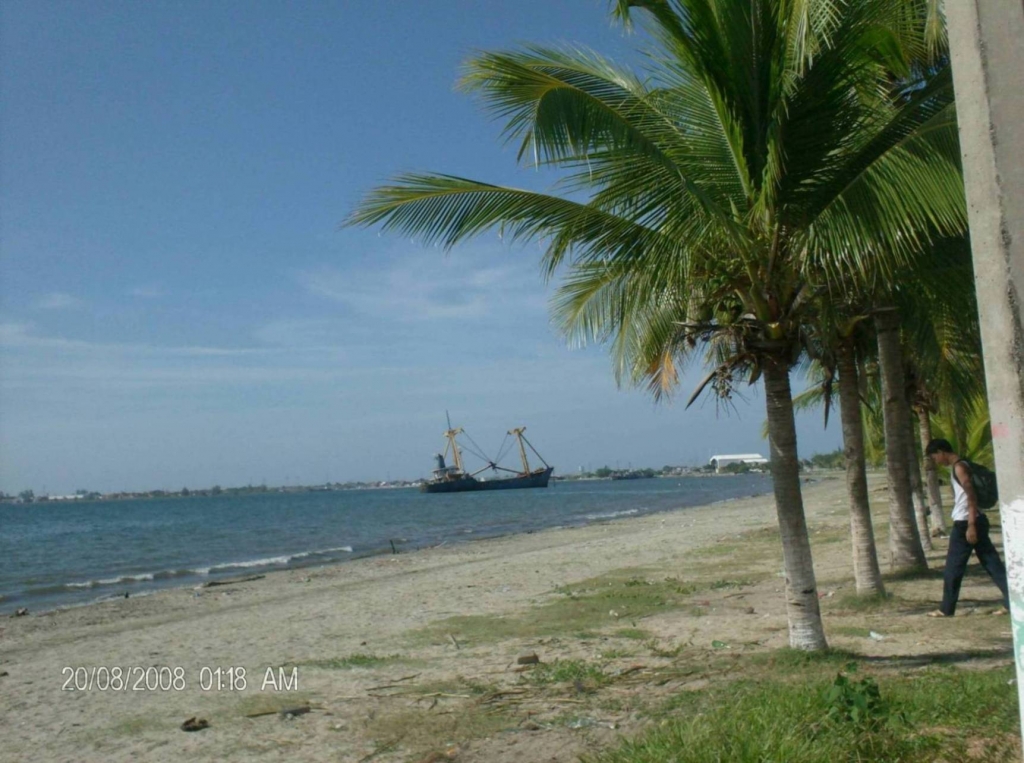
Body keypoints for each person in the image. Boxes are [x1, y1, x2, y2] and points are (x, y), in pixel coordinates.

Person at [924, 438, 1009, 617]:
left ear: (941, 451)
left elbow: (971, 496)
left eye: (934, 457)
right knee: (992, 563)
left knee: (953, 568)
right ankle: (1012, 602)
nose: (935, 461)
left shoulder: (959, 468)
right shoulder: (963, 465)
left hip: (966, 523)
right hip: (975, 520)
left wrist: (971, 525)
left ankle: (946, 609)